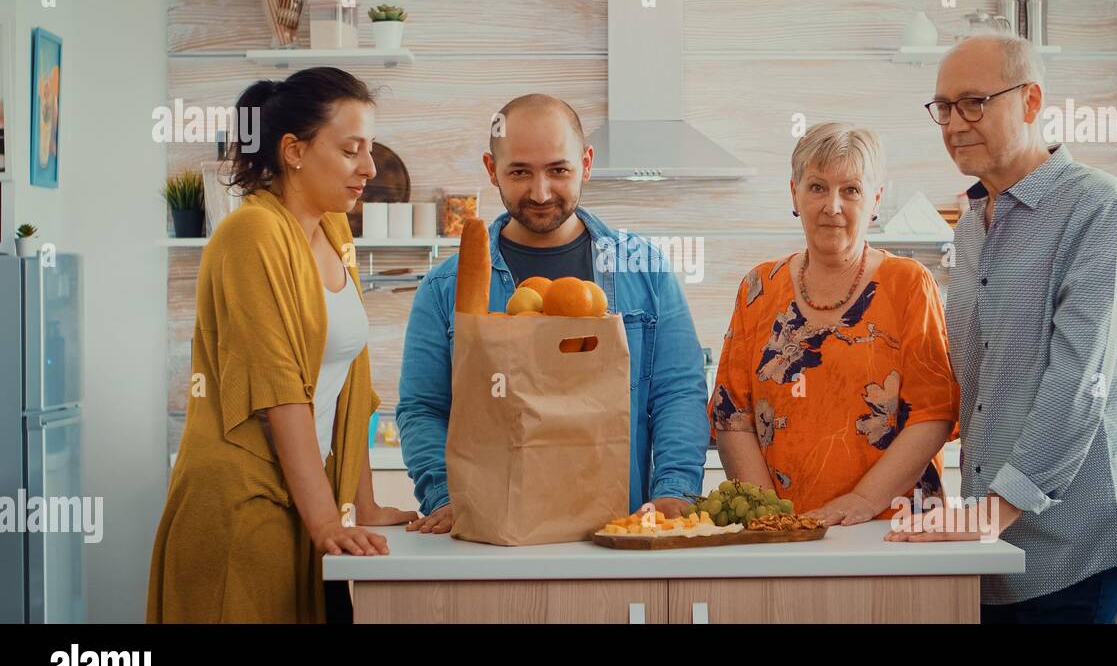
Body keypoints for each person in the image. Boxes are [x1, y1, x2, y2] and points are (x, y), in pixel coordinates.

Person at [886, 34, 1117, 625]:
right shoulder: (970, 226)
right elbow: (970, 380)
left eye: (973, 102)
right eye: (942, 107)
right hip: (996, 546)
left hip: (1080, 542)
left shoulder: (1097, 206)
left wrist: (993, 511)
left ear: (1032, 100)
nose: (954, 123)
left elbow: (1079, 381)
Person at [147, 67, 416, 623]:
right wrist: (325, 524)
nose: (369, 167)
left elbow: (351, 385)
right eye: (351, 150)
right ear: (293, 150)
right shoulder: (251, 235)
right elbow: (280, 392)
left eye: (369, 149)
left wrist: (361, 506)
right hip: (244, 507)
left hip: (303, 500)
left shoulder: (332, 230)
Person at [397, 93, 708, 533]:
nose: (540, 192)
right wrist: (447, 498)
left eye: (558, 170)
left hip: (622, 530)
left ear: (587, 162)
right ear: (491, 170)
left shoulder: (646, 269)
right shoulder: (445, 288)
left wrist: (674, 492)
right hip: (493, 535)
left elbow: (678, 393)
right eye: (520, 172)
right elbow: (423, 408)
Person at [709, 121, 959, 526]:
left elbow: (933, 413)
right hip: (787, 534)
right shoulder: (758, 287)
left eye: (852, 190)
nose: (833, 206)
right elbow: (732, 415)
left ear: (875, 200)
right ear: (794, 193)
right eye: (817, 187)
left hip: (894, 529)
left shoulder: (909, 284)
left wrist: (863, 500)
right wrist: (773, 518)